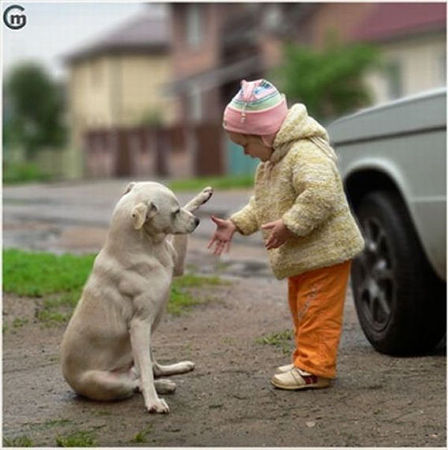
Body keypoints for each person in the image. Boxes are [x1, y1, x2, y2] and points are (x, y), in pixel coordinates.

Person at [208, 79, 365, 390]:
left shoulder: (304, 153)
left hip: (325, 252)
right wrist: (237, 224)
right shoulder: (271, 162)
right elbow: (263, 204)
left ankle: (314, 369)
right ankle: (306, 358)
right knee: (304, 309)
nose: (246, 153)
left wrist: (290, 224)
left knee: (316, 311)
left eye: (245, 145)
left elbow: (322, 193)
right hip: (305, 255)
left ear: (265, 135)